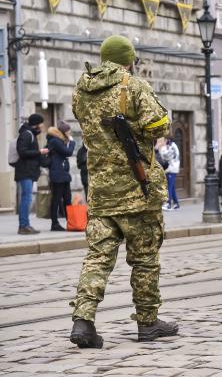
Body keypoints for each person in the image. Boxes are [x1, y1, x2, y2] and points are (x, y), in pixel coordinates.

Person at [70, 35, 178, 348]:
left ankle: (83, 319)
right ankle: (148, 323)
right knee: (144, 259)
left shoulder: (82, 89)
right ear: (128, 59)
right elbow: (159, 124)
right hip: (136, 188)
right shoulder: (132, 85)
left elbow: (85, 122)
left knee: (97, 258)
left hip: (101, 192)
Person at [14, 113, 49, 235]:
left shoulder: (31, 134)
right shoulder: (26, 134)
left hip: (28, 171)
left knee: (27, 198)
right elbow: (22, 152)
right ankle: (23, 226)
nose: (42, 126)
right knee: (26, 198)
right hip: (25, 172)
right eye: (41, 124)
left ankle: (26, 224)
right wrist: (39, 152)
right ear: (36, 124)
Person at [46, 121, 76, 231]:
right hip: (57, 174)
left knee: (67, 199)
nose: (70, 133)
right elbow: (68, 152)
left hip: (63, 174)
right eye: (68, 131)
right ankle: (54, 224)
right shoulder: (55, 141)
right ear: (63, 132)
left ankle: (71, 222)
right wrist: (72, 142)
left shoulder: (60, 141)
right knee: (56, 199)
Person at [159, 136, 180, 210]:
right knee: (172, 187)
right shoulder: (171, 146)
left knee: (169, 187)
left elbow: (166, 156)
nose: (163, 142)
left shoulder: (172, 146)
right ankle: (176, 204)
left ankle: (168, 204)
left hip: (172, 169)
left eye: (164, 140)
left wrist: (161, 149)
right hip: (171, 169)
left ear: (167, 140)